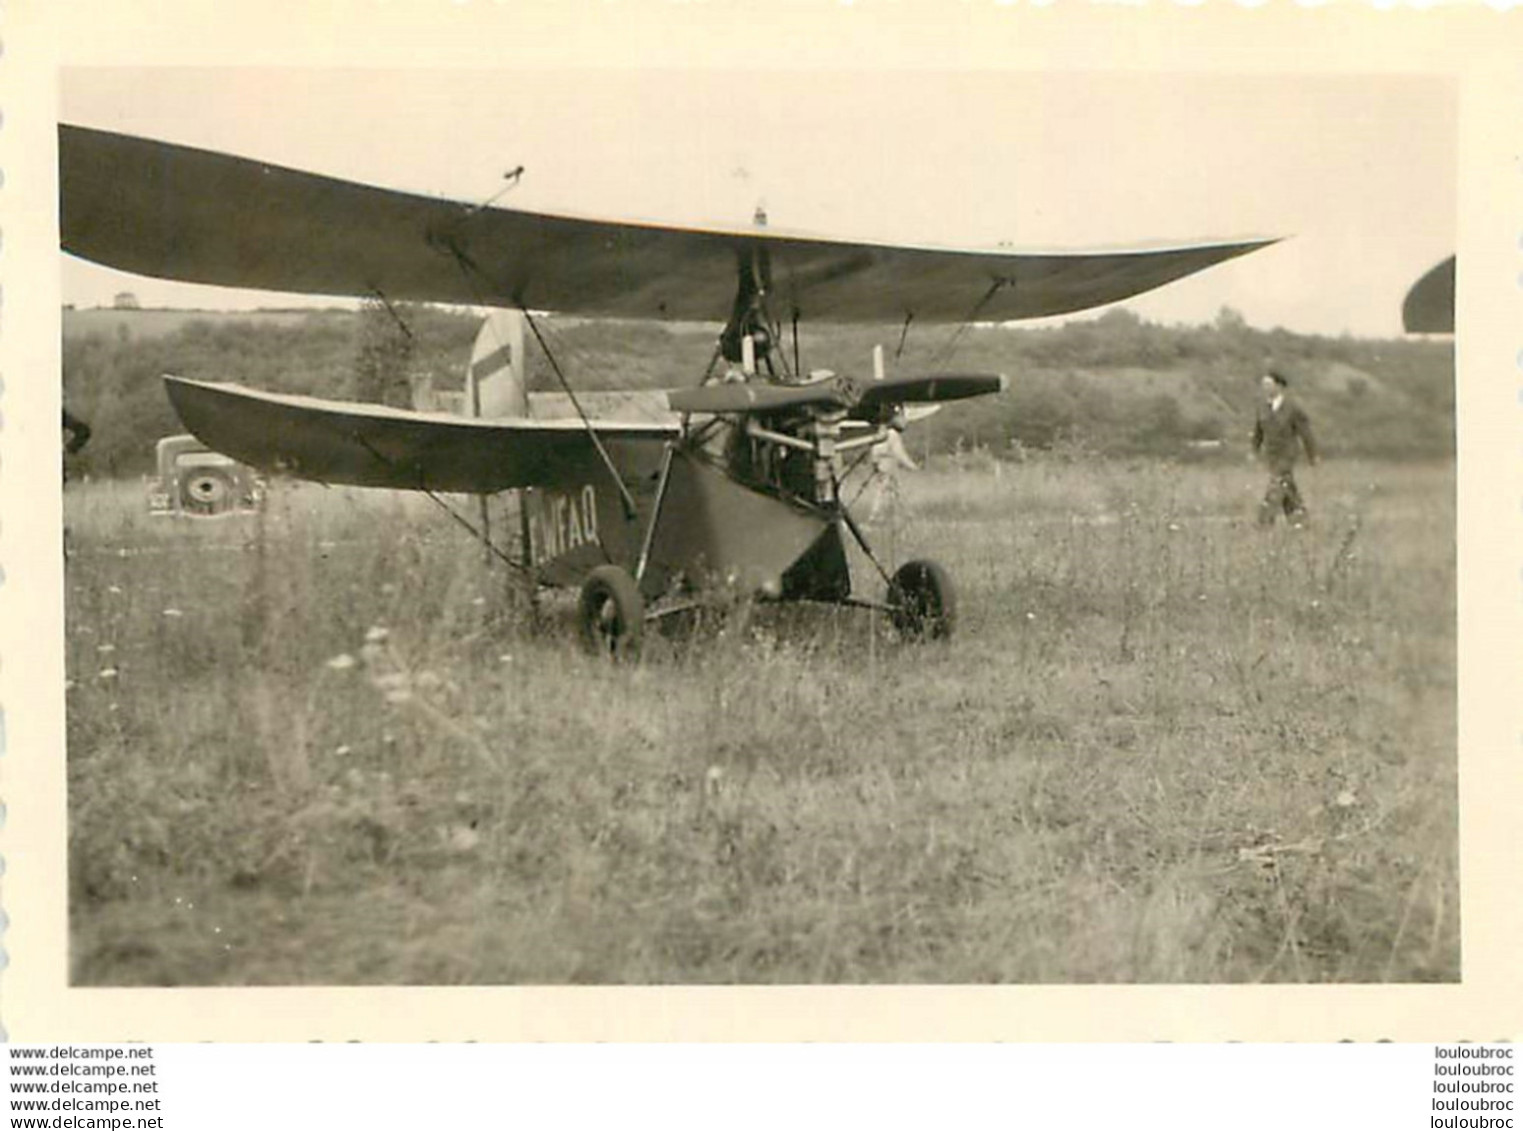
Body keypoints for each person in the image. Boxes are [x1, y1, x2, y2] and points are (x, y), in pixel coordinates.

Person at [1251, 370, 1317, 526]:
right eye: (1263, 384)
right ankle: (1299, 520)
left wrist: (1312, 454)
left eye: (1268, 384)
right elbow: (1258, 432)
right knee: (1287, 488)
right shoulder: (1262, 408)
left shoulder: (1293, 408)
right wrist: (1254, 450)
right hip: (1271, 455)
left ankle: (1264, 521)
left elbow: (1305, 433)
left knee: (1277, 483)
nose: (1265, 388)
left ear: (1279, 386)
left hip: (1287, 454)